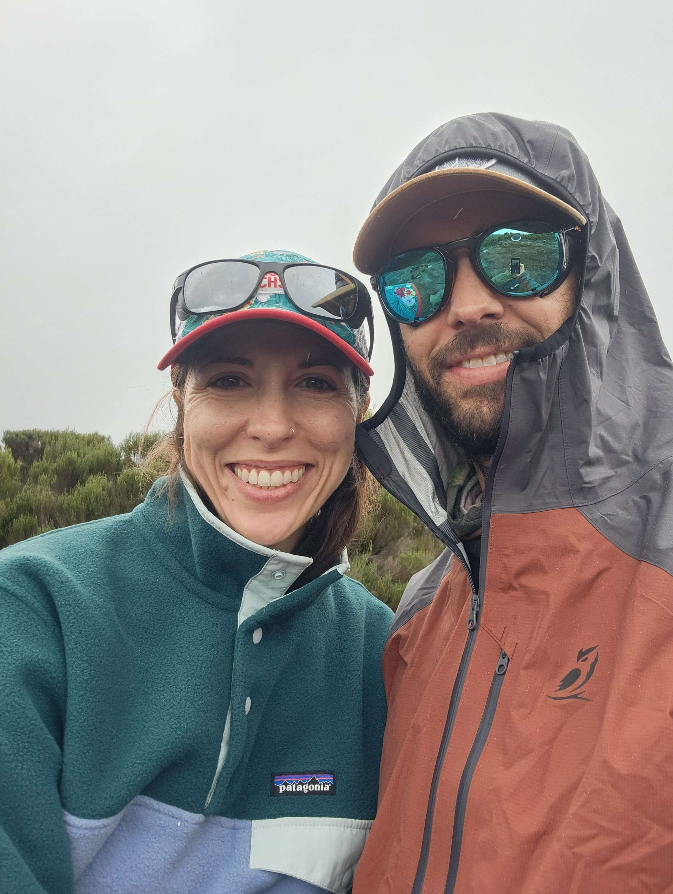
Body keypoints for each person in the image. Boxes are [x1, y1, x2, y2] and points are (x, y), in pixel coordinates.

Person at [350, 114, 673, 893]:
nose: (466, 304)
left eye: (519, 257)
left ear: (593, 276)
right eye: (416, 279)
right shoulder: (418, 615)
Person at [0, 249, 392, 894]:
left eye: (316, 383)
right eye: (229, 380)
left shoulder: (385, 652)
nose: (272, 426)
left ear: (358, 413)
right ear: (182, 403)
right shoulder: (32, 609)